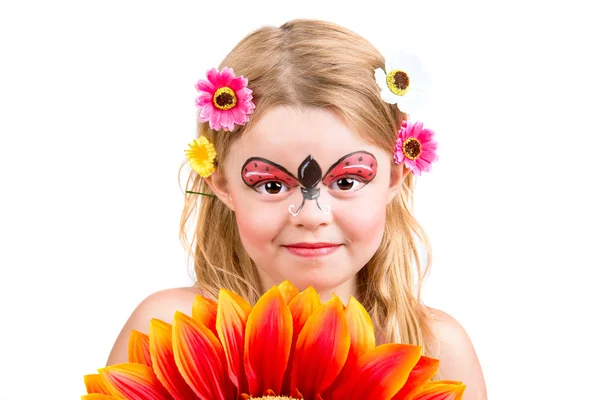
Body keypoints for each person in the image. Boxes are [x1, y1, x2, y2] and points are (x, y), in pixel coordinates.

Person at [106, 19, 487, 399]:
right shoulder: (170, 331)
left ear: (394, 177)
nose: (311, 214)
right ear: (221, 183)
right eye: (271, 185)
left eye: (346, 181)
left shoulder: (437, 352)